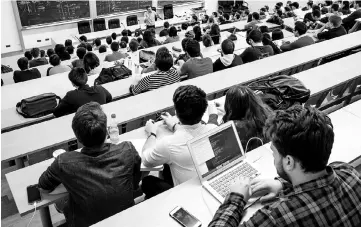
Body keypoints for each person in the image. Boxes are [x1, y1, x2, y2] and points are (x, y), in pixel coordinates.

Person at [208, 105, 361, 227]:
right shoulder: (348, 172)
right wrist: (282, 184)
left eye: (273, 152)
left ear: (289, 162)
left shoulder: (276, 218)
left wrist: (236, 198)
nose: (273, 157)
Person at [39, 102, 141, 227]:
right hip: (124, 219)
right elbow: (135, 182)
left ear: (77, 138)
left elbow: (43, 186)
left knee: (63, 202)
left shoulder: (64, 162)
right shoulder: (127, 149)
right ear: (106, 132)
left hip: (85, 222)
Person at [141, 85, 217, 198]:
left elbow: (145, 160)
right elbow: (191, 132)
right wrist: (175, 126)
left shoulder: (168, 144)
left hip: (186, 195)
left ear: (176, 112)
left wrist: (151, 134)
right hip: (210, 185)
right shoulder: (214, 129)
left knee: (147, 181)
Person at [208, 85, 271, 151]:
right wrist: (247, 98)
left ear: (231, 108)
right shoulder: (265, 114)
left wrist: (213, 116)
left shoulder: (235, 127)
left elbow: (213, 140)